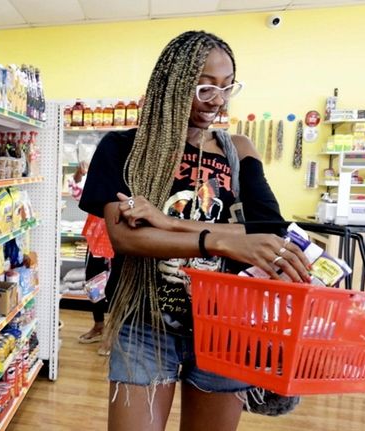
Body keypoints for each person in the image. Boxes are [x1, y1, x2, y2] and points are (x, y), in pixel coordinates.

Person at [79, 31, 311, 431]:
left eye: (225, 87)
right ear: (172, 85)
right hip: (144, 322)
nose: (216, 100)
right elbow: (126, 237)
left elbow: (268, 229)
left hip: (227, 326)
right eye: (204, 87)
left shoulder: (239, 149)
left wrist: (171, 222)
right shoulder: (122, 148)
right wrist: (220, 238)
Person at [69, 161, 110, 355]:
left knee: (117, 286)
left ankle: (114, 335)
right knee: (93, 283)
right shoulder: (98, 182)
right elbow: (77, 192)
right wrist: (79, 174)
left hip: (120, 240)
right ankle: (99, 326)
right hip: (96, 240)